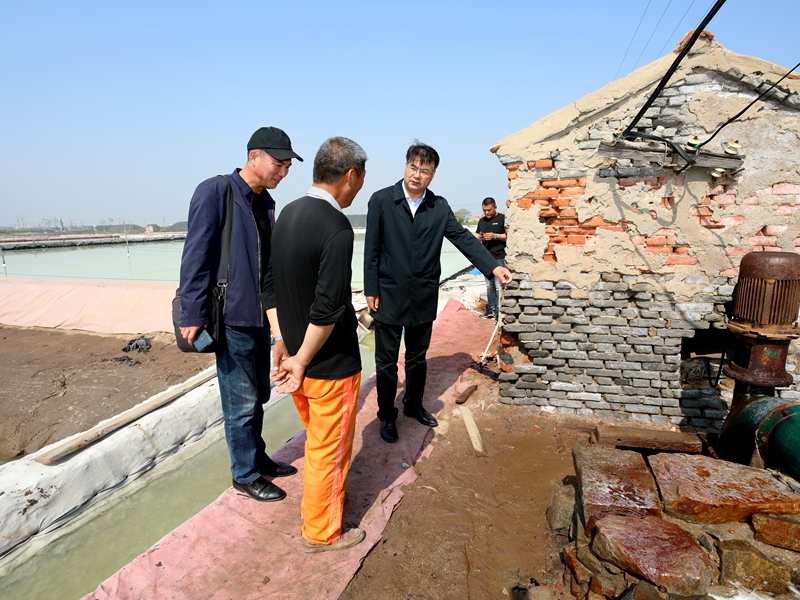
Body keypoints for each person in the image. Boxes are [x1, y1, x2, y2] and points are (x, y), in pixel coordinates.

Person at [179, 126, 302, 503]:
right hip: (230, 314)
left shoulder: (266, 202)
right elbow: (196, 253)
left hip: (259, 315)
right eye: (278, 164)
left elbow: (268, 265)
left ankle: (257, 457)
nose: (283, 172)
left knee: (259, 393)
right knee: (240, 400)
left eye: (287, 166)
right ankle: (244, 475)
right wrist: (192, 312)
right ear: (254, 157)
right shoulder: (216, 191)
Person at [364, 142, 513, 444]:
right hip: (389, 294)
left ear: (432, 175)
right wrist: (371, 288)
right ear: (405, 166)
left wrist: (493, 267)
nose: (417, 174)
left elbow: (463, 239)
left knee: (417, 358)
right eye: (413, 167)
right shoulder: (382, 200)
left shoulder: (439, 207)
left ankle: (413, 405)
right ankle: (387, 415)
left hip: (423, 294)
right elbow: (371, 249)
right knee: (386, 362)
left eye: (425, 170)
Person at [265, 137, 367, 553]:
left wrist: (282, 342)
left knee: (317, 442)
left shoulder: (288, 214)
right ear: (351, 175)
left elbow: (269, 287)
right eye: (362, 177)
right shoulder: (336, 226)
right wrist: (303, 359)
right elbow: (327, 309)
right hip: (327, 364)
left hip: (295, 357)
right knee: (329, 450)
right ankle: (321, 532)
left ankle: (322, 507)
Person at [475, 197, 508, 321]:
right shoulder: (482, 221)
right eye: (484, 210)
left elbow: (509, 236)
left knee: (499, 285)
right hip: (486, 258)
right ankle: (492, 310)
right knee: (490, 286)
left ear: (495, 207)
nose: (487, 213)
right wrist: (481, 237)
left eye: (489, 210)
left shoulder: (502, 219)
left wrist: (495, 236)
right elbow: (477, 236)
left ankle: (500, 312)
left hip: (500, 257)